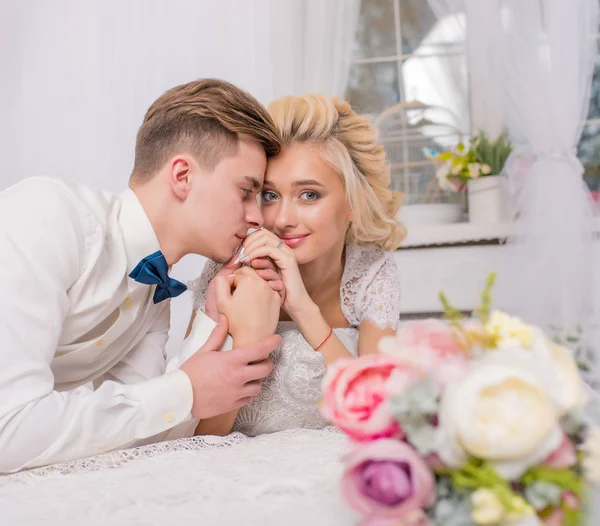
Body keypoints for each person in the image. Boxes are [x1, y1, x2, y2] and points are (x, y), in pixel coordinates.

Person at [0, 78, 285, 473]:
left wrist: (212, 321)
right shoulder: (46, 216)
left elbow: (146, 433)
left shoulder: (156, 298)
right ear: (182, 175)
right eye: (245, 191)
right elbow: (8, 429)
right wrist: (184, 390)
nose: (257, 217)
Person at [188, 94, 405, 437]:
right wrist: (247, 336)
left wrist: (302, 307)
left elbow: (375, 415)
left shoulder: (370, 272)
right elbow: (200, 436)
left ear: (353, 202)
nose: (283, 219)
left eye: (309, 195)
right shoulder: (228, 271)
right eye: (270, 196)